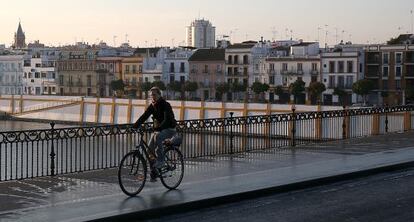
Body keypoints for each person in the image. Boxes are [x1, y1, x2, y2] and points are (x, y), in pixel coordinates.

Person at [133, 87, 177, 170]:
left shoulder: (165, 104)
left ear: (159, 95)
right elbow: (144, 116)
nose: (152, 96)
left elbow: (166, 119)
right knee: (149, 150)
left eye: (154, 94)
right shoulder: (153, 105)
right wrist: (135, 126)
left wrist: (159, 128)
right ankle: (155, 170)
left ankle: (161, 161)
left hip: (170, 129)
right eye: (151, 95)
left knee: (158, 137)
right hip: (159, 130)